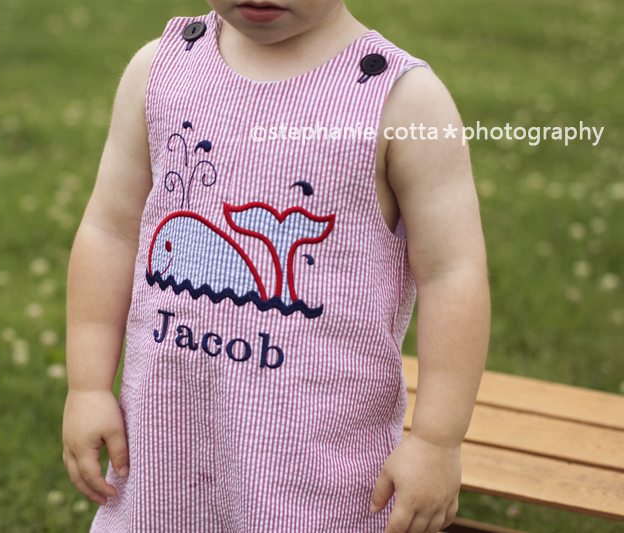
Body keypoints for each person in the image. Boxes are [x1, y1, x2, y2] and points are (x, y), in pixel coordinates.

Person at [62, 1, 490, 532]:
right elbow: (110, 232)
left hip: (318, 466)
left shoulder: (402, 100)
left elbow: (452, 275)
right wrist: (87, 387)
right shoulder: (161, 71)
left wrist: (436, 440)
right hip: (164, 444)